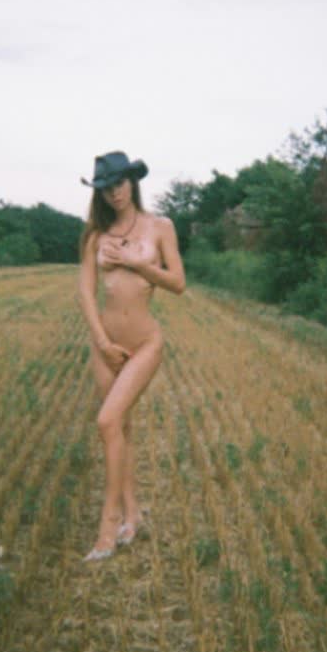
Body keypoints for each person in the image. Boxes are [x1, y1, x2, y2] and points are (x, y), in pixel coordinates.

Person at [78, 151, 186, 561]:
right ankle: (132, 515)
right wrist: (102, 342)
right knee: (120, 428)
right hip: (106, 345)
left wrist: (139, 264)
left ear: (132, 182)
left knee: (106, 421)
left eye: (119, 184)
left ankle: (108, 526)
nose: (114, 193)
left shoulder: (160, 227)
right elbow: (86, 292)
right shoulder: (95, 236)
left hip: (144, 344)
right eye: (106, 188)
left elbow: (178, 282)